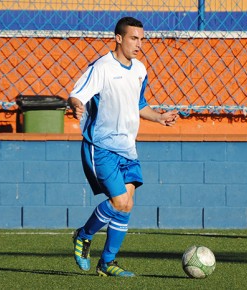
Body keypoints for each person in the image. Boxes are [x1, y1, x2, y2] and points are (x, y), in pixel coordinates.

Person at [67, 16, 178, 277]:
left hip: (128, 149)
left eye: (141, 39)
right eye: (133, 38)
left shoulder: (140, 70)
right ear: (118, 38)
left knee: (127, 205)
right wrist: (75, 105)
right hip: (102, 147)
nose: (139, 44)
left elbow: (139, 104)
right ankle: (83, 236)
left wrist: (159, 117)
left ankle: (107, 263)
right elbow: (76, 94)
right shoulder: (102, 67)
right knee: (118, 201)